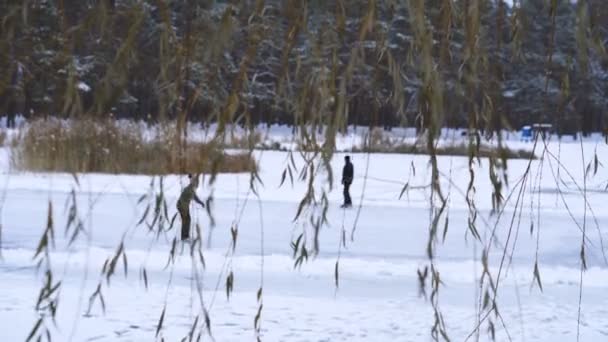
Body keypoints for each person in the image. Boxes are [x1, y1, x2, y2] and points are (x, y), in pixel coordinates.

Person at [177, 174, 205, 240]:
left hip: (185, 206)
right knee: (186, 220)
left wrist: (201, 203)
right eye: (196, 183)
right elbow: (190, 198)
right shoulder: (189, 189)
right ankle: (184, 237)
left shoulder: (191, 189)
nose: (197, 185)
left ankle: (186, 236)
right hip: (182, 206)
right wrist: (185, 210)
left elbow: (195, 197)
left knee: (188, 220)